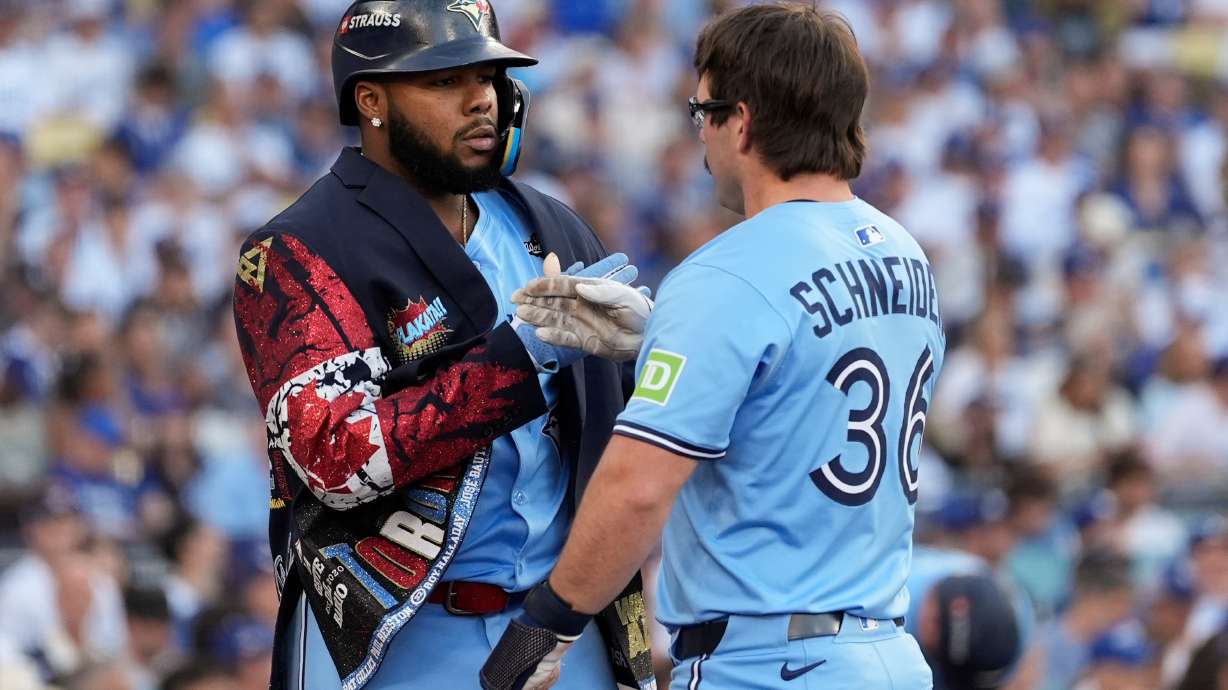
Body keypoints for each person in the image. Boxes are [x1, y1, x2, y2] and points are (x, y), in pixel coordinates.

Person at [483, 5, 946, 689]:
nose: (700, 136)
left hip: (770, 661)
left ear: (745, 120)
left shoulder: (729, 270)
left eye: (702, 112)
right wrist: (662, 343)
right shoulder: (906, 252)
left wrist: (547, 623)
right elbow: (798, 388)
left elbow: (639, 489)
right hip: (886, 651)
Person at [230, 1, 653, 689]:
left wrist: (654, 349)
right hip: (397, 635)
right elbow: (334, 457)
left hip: (564, 632)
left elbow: (640, 441)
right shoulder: (297, 252)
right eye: (444, 81)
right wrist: (522, 357)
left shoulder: (553, 225)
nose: (481, 100)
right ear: (371, 100)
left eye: (487, 78)